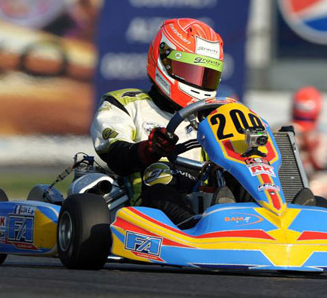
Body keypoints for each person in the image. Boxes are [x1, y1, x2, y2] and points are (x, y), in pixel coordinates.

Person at [90, 18, 228, 226]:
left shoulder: (215, 117)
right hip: (144, 202)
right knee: (160, 189)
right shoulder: (125, 104)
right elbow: (116, 155)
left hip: (205, 198)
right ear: (164, 61)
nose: (198, 83)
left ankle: (262, 225)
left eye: (206, 76)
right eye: (190, 71)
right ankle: (193, 230)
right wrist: (149, 150)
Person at [291, 86, 327, 199]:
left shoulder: (319, 136)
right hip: (288, 174)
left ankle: (307, 191)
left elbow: (321, 165)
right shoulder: (282, 130)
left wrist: (310, 148)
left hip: (310, 175)